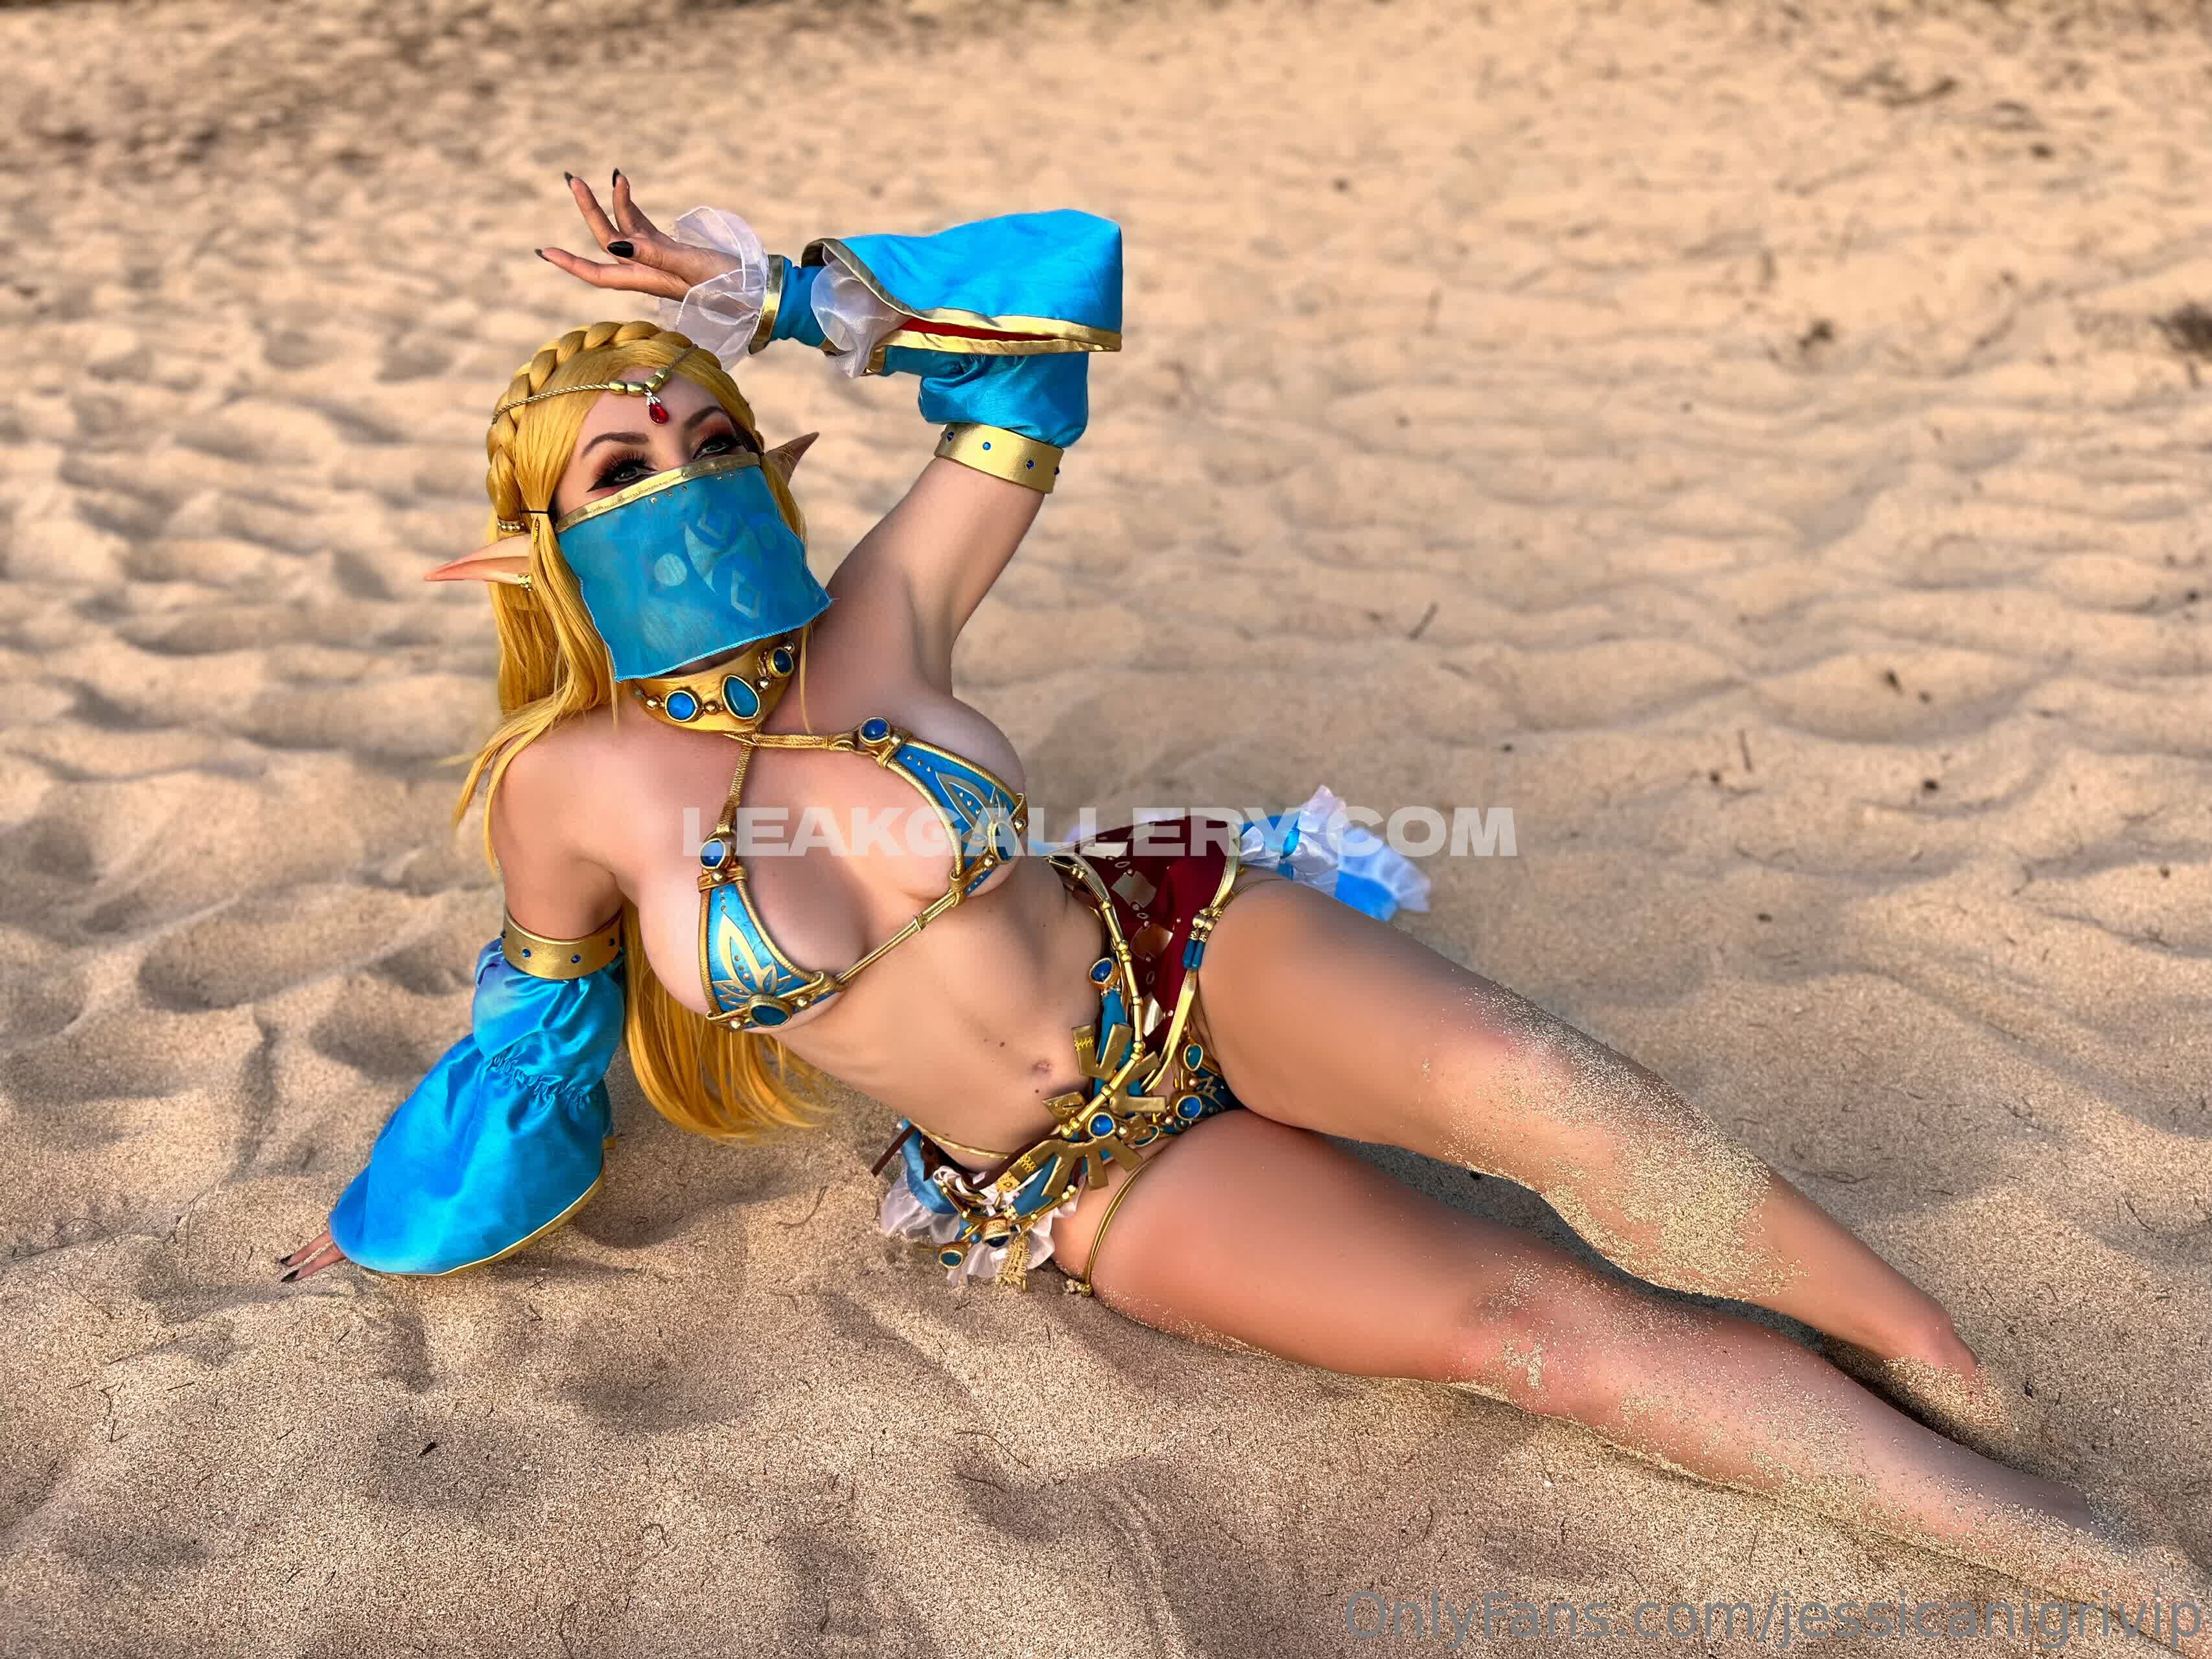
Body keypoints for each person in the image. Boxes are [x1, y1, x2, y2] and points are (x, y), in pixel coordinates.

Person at [279, 170, 2204, 1631]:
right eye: (622, 469)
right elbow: (535, 1029)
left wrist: (776, 294)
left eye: (711, 440)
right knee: (1522, 1331)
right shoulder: (571, 791)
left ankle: (1963, 1377)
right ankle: (2075, 1551)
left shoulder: (885, 607)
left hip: (1187, 955)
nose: (683, 481)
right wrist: (385, 1226)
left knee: (1578, 1112)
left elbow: (1055, 318)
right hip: (1067, 1176)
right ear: (540, 544)